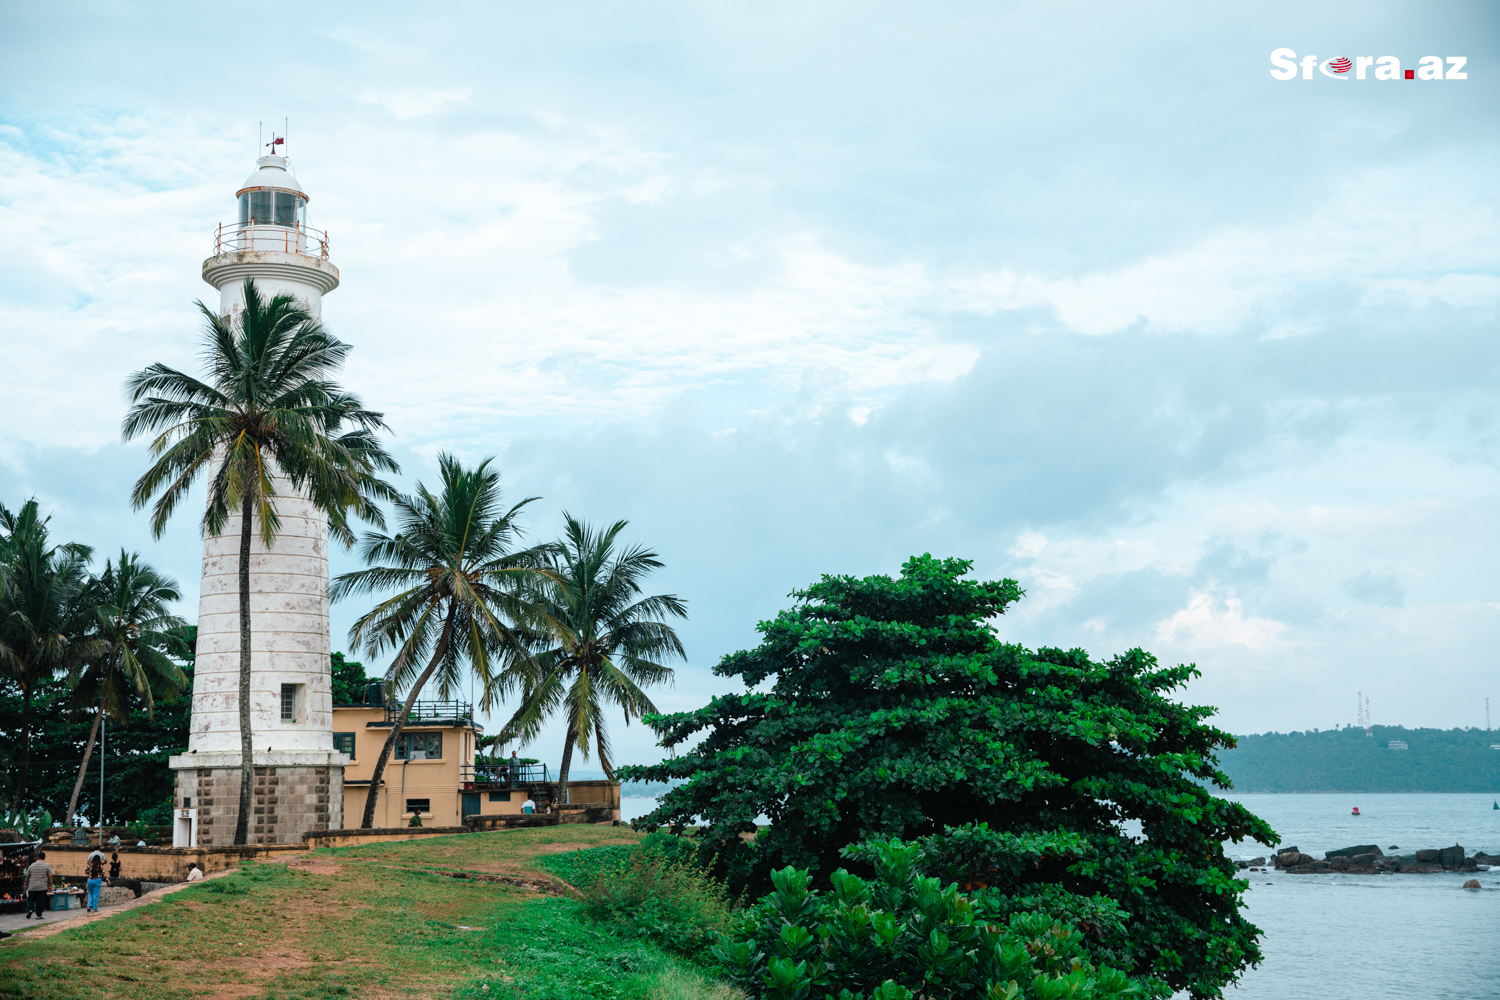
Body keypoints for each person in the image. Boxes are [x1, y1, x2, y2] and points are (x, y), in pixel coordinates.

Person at [24, 851, 52, 920]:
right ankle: (38, 915)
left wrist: (26, 885)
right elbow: (50, 876)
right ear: (44, 858)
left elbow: (27, 876)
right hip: (42, 887)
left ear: (37, 857)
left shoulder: (32, 865)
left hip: (32, 886)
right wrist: (50, 885)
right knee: (40, 901)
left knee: (31, 899)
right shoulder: (46, 866)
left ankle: (30, 909)